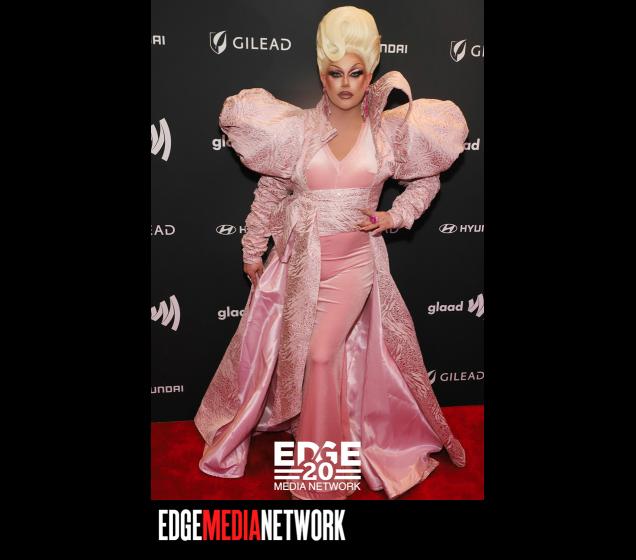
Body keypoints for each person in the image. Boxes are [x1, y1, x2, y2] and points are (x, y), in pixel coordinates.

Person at [194, 5, 469, 500]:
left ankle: (320, 478)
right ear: (322, 74)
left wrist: (393, 216)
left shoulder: (387, 132)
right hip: (299, 266)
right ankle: (327, 434)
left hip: (354, 266)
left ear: (370, 74)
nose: (346, 84)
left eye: (356, 73)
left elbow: (426, 181)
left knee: (321, 355)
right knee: (308, 358)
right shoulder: (296, 129)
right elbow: (270, 193)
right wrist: (253, 248)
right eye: (335, 73)